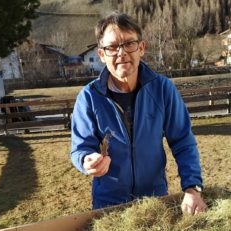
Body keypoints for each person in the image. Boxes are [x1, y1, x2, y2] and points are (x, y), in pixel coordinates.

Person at [70, 12, 207, 215]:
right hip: (109, 206)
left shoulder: (162, 89)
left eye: (129, 44)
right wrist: (86, 159)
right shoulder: (89, 97)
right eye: (112, 47)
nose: (121, 53)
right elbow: (80, 148)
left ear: (141, 48)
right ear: (101, 55)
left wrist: (192, 188)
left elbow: (183, 141)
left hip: (155, 200)